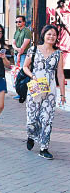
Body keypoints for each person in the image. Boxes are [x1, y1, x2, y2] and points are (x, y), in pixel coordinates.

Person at [22, 25, 65, 160]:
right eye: (49, 34)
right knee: (32, 118)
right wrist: (32, 76)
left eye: (54, 34)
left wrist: (63, 95)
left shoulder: (58, 54)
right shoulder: (33, 50)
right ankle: (31, 135)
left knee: (47, 118)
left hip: (50, 91)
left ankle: (44, 148)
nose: (51, 37)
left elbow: (60, 74)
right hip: (35, 89)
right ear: (43, 35)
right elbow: (25, 67)